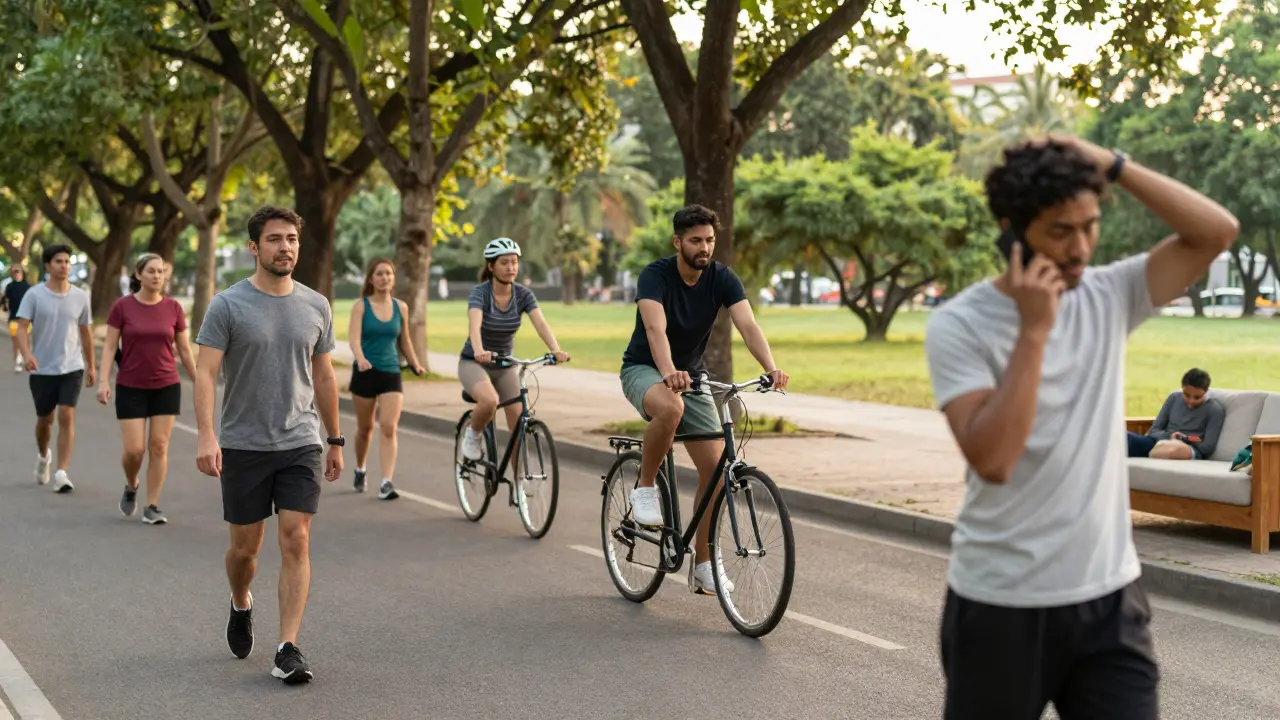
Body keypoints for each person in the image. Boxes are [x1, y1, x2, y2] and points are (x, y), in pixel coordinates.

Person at [924, 136, 1239, 719]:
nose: (1080, 249)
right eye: (1060, 231)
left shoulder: (1109, 293)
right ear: (1011, 227)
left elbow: (1215, 232)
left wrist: (1114, 164)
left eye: (1089, 227)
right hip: (1000, 606)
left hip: (1109, 601)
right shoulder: (960, 324)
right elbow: (993, 459)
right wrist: (1034, 332)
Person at [194, 205, 343, 685]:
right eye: (275, 239)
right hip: (244, 443)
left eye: (292, 239)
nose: (286, 248)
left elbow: (323, 373)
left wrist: (335, 438)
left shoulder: (316, 304)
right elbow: (205, 372)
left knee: (296, 537)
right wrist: (206, 434)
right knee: (245, 550)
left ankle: (288, 648)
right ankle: (241, 601)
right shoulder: (228, 305)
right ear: (254, 248)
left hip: (301, 439)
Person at [619, 205, 789, 594]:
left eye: (709, 240)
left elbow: (748, 324)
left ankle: (704, 563)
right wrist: (667, 372)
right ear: (678, 241)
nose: (704, 247)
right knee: (670, 407)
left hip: (693, 376)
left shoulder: (722, 278)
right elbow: (654, 328)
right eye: (696, 240)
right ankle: (645, 486)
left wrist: (771, 367)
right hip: (645, 369)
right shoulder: (655, 276)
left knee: (716, 474)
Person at [96, 254, 197, 524]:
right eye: (151, 271)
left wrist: (200, 381)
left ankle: (152, 505)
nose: (157, 276)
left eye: (161, 271)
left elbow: (185, 350)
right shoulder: (122, 307)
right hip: (130, 385)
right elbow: (109, 346)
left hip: (166, 384)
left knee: (159, 445)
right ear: (138, 275)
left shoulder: (174, 308)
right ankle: (132, 485)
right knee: (134, 450)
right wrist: (104, 380)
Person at [458, 238, 569, 475]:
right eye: (504, 263)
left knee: (519, 424)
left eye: (514, 262)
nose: (511, 268)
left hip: (505, 364)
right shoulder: (480, 293)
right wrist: (479, 350)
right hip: (474, 362)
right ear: (491, 267)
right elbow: (474, 326)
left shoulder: (523, 294)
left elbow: (540, 323)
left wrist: (555, 349)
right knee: (488, 401)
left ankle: (520, 481)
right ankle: (473, 435)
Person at [14, 244, 94, 493]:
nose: (64, 266)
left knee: (67, 415)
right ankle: (42, 455)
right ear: (48, 266)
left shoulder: (80, 296)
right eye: (59, 261)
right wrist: (27, 355)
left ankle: (61, 472)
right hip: (42, 368)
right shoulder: (34, 295)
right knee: (45, 420)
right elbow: (21, 328)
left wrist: (92, 366)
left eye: (68, 262)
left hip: (72, 366)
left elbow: (86, 333)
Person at [347, 257, 424, 500]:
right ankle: (360, 468)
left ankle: (386, 482)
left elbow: (405, 341)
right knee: (365, 428)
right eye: (379, 274)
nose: (384, 278)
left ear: (393, 278)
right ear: (371, 279)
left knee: (389, 427)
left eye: (389, 274)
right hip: (365, 372)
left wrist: (414, 363)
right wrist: (360, 358)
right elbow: (354, 339)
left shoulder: (401, 307)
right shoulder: (361, 306)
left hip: (391, 372)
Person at [1127, 368, 1224, 460]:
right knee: (1125, 437)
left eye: (1197, 397)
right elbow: (1153, 431)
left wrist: (1186, 439)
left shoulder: (1214, 410)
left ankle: (1151, 454)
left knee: (1175, 450)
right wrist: (1170, 436)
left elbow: (1207, 446)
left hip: (1188, 449)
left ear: (1206, 391)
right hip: (1160, 442)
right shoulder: (1174, 398)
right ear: (1182, 388)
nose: (1191, 401)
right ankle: (1153, 453)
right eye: (1186, 395)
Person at [4, 264, 32, 373]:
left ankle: (27, 361)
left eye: (18, 271)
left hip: (26, 319)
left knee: (26, 341)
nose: (16, 273)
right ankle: (17, 361)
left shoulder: (28, 287)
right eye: (14, 271)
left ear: (22, 273)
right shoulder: (9, 287)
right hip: (13, 318)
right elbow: (4, 299)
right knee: (16, 341)